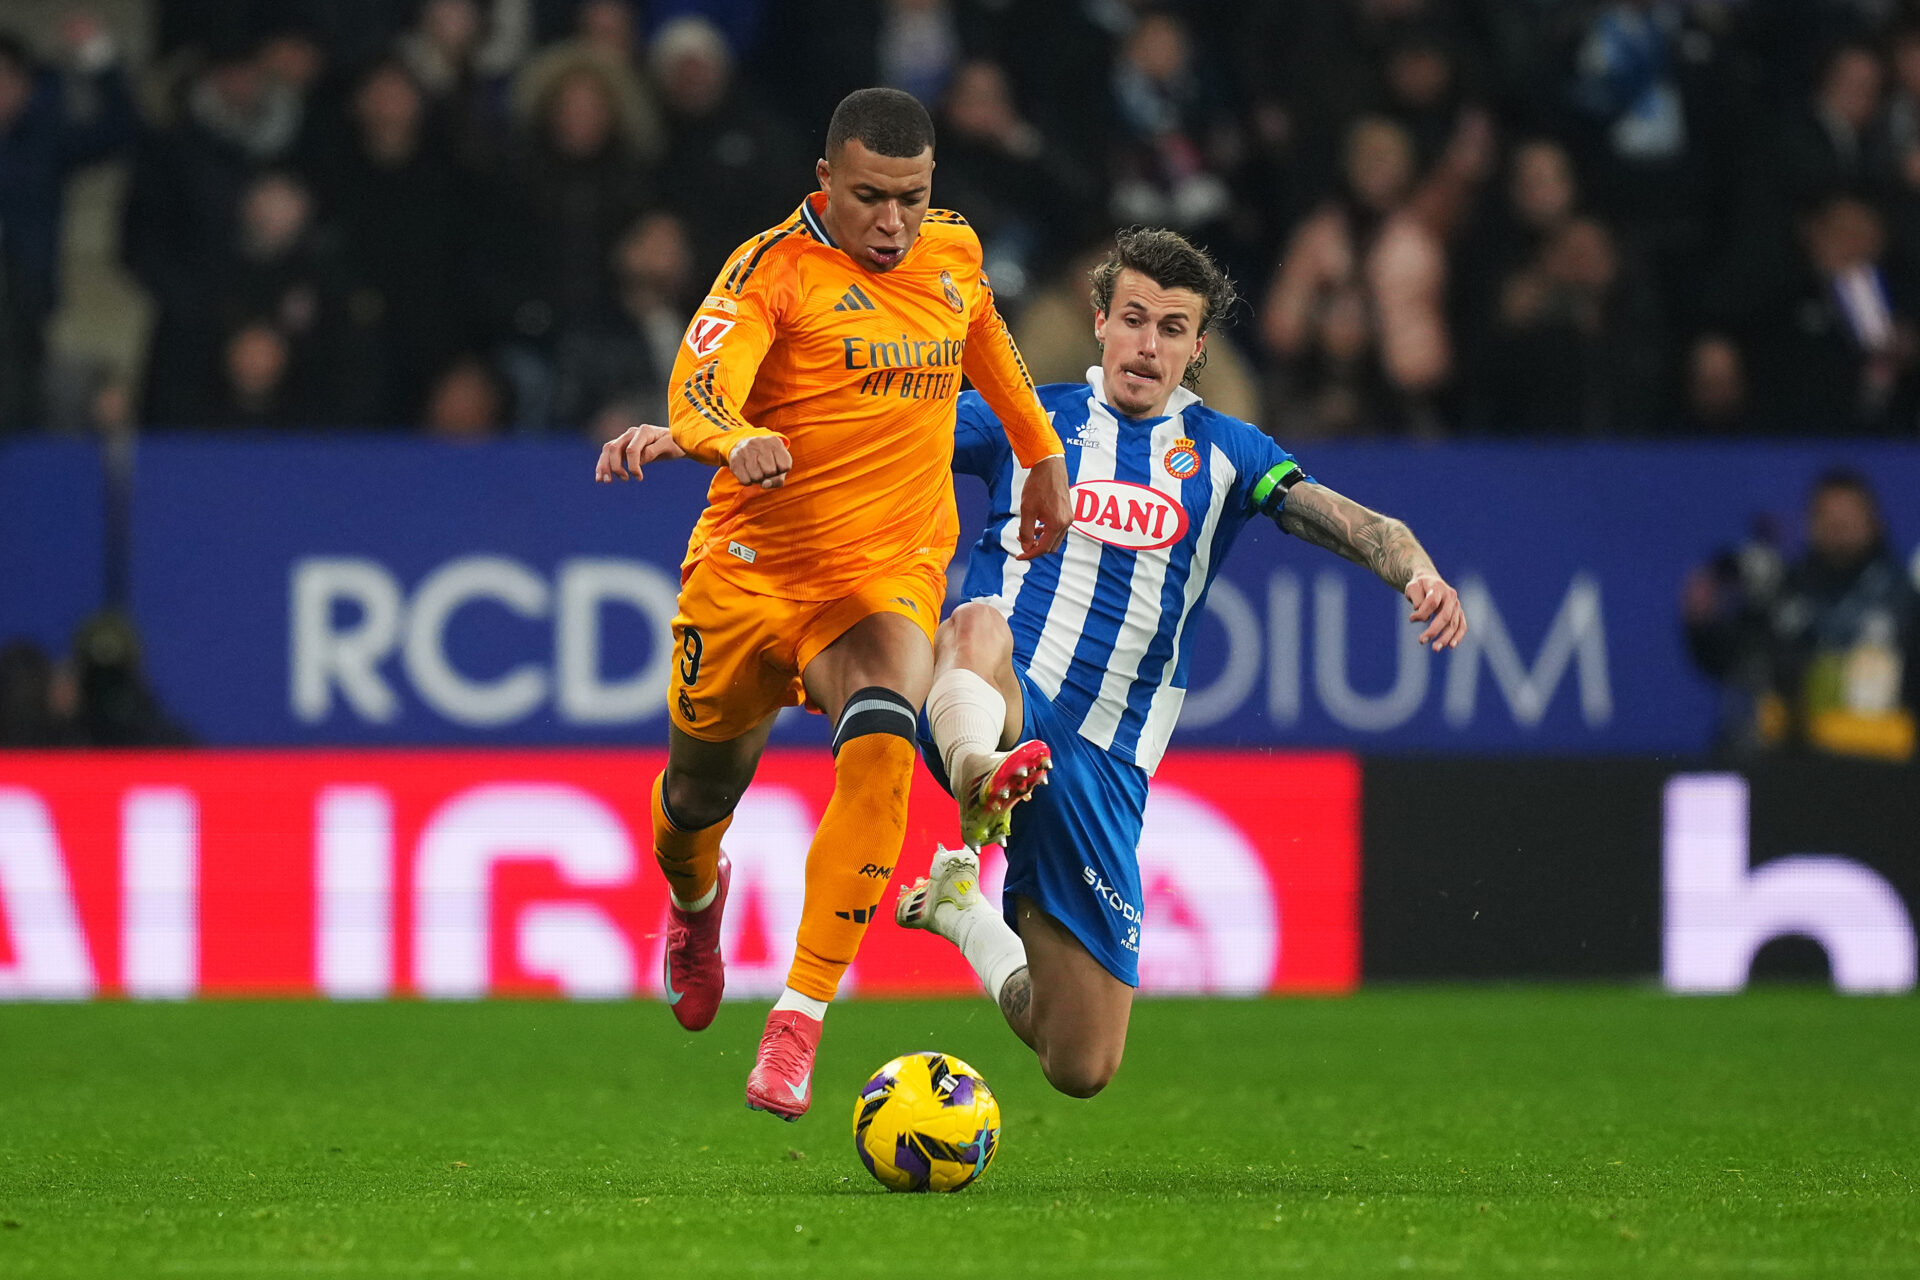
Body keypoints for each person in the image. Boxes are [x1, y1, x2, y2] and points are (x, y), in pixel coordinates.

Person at [603, 226, 1465, 1100]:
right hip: (992, 696)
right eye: (1133, 319)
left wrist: (1417, 571)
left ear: (1198, 348)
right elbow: (860, 437)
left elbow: (1356, 522)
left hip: (1103, 769)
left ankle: (961, 912)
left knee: (1078, 1062)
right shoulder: (1029, 419)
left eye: (1172, 328)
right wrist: (711, 435)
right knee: (975, 621)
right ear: (1099, 322)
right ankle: (978, 772)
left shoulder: (1230, 452)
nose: (1147, 344)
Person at [593, 87, 1071, 1120]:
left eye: (911, 197)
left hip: (880, 577)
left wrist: (1039, 451)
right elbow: (696, 388)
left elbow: (983, 330)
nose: (893, 222)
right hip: (750, 577)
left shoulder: (952, 251)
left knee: (883, 735)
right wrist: (729, 439)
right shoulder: (771, 271)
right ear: (824, 183)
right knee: (694, 801)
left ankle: (798, 1020)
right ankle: (694, 900)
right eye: (869, 198)